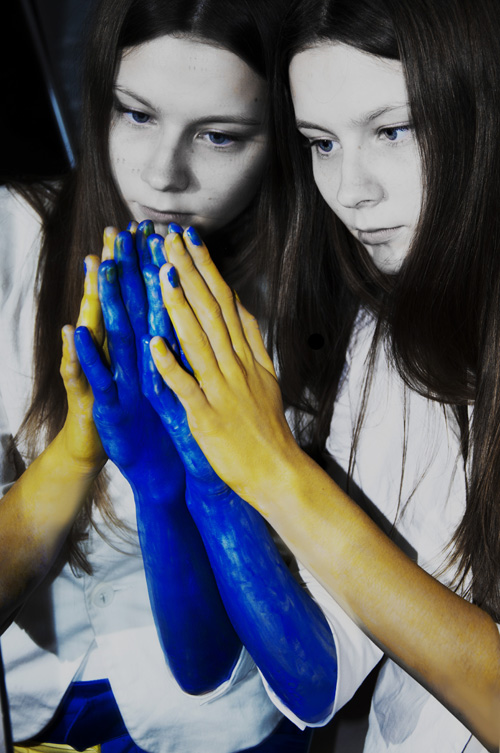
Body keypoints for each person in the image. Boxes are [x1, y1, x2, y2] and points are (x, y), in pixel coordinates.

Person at [144, 0, 500, 751]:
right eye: (322, 143)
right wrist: (209, 483)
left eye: (392, 130)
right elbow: (322, 675)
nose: (349, 190)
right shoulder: (384, 340)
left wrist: (274, 469)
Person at [0, 0, 338, 750]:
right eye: (137, 114)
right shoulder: (13, 236)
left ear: (286, 139)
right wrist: (81, 451)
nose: (161, 175)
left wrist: (191, 482)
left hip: (215, 722)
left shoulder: (320, 304)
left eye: (219, 136)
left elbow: (268, 660)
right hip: (19, 694)